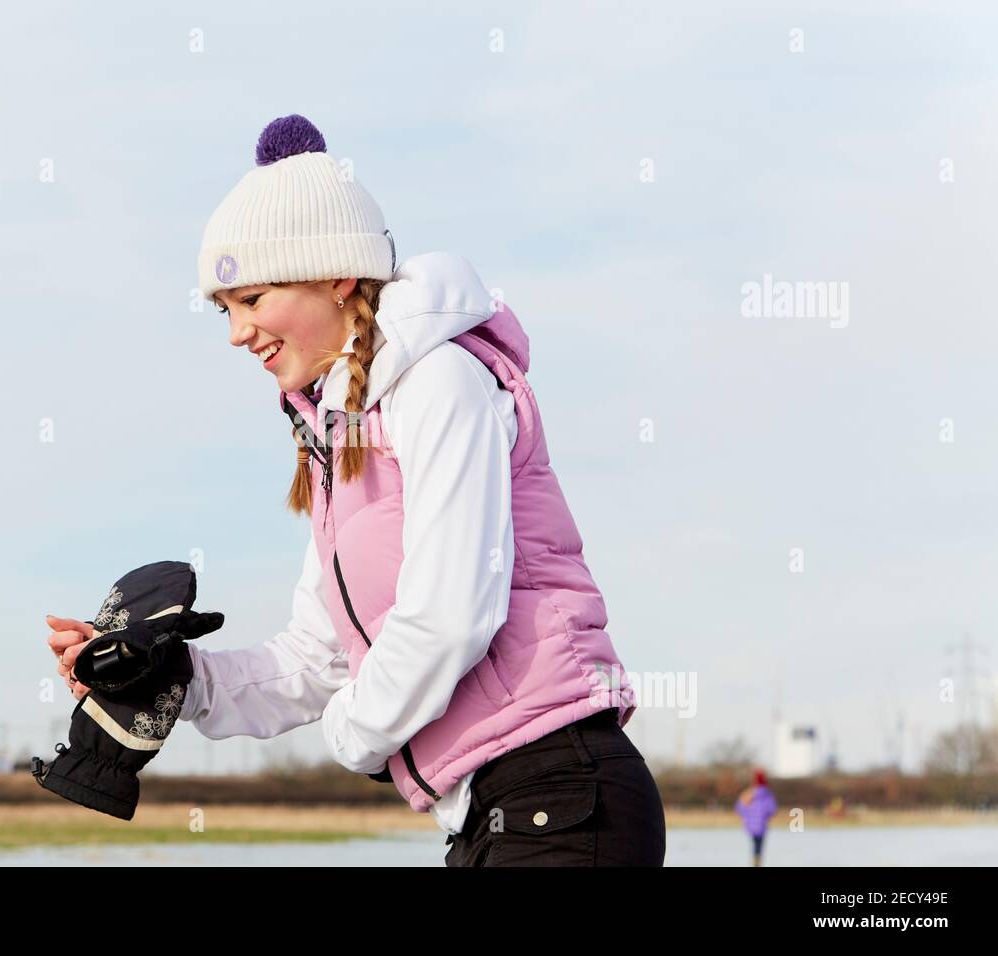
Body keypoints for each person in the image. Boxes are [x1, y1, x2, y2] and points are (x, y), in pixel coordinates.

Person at [48, 114, 665, 866]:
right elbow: (316, 659)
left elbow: (451, 612)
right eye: (225, 309)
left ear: (337, 275)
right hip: (489, 814)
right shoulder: (341, 443)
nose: (237, 332)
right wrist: (174, 676)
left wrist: (352, 736)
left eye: (252, 297)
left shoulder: (440, 382)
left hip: (564, 796)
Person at [735, 769, 778, 866]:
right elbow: (772, 810)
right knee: (759, 846)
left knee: (755, 845)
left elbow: (740, 808)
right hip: (762, 825)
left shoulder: (748, 794)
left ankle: (755, 862)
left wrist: (747, 816)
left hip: (750, 825)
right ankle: (757, 863)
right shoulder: (767, 794)